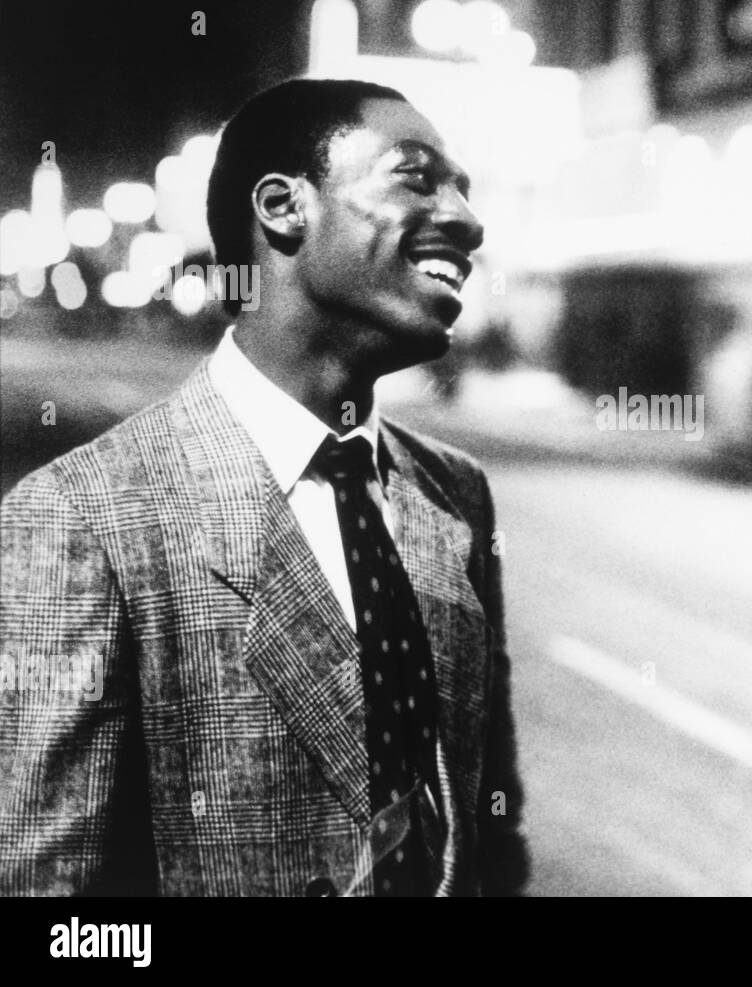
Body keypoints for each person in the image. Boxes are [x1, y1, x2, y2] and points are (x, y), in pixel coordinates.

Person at [0, 78, 528, 897]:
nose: (466, 218)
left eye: (464, 188)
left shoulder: (456, 494)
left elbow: (485, 831)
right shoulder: (78, 517)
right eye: (418, 178)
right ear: (284, 207)